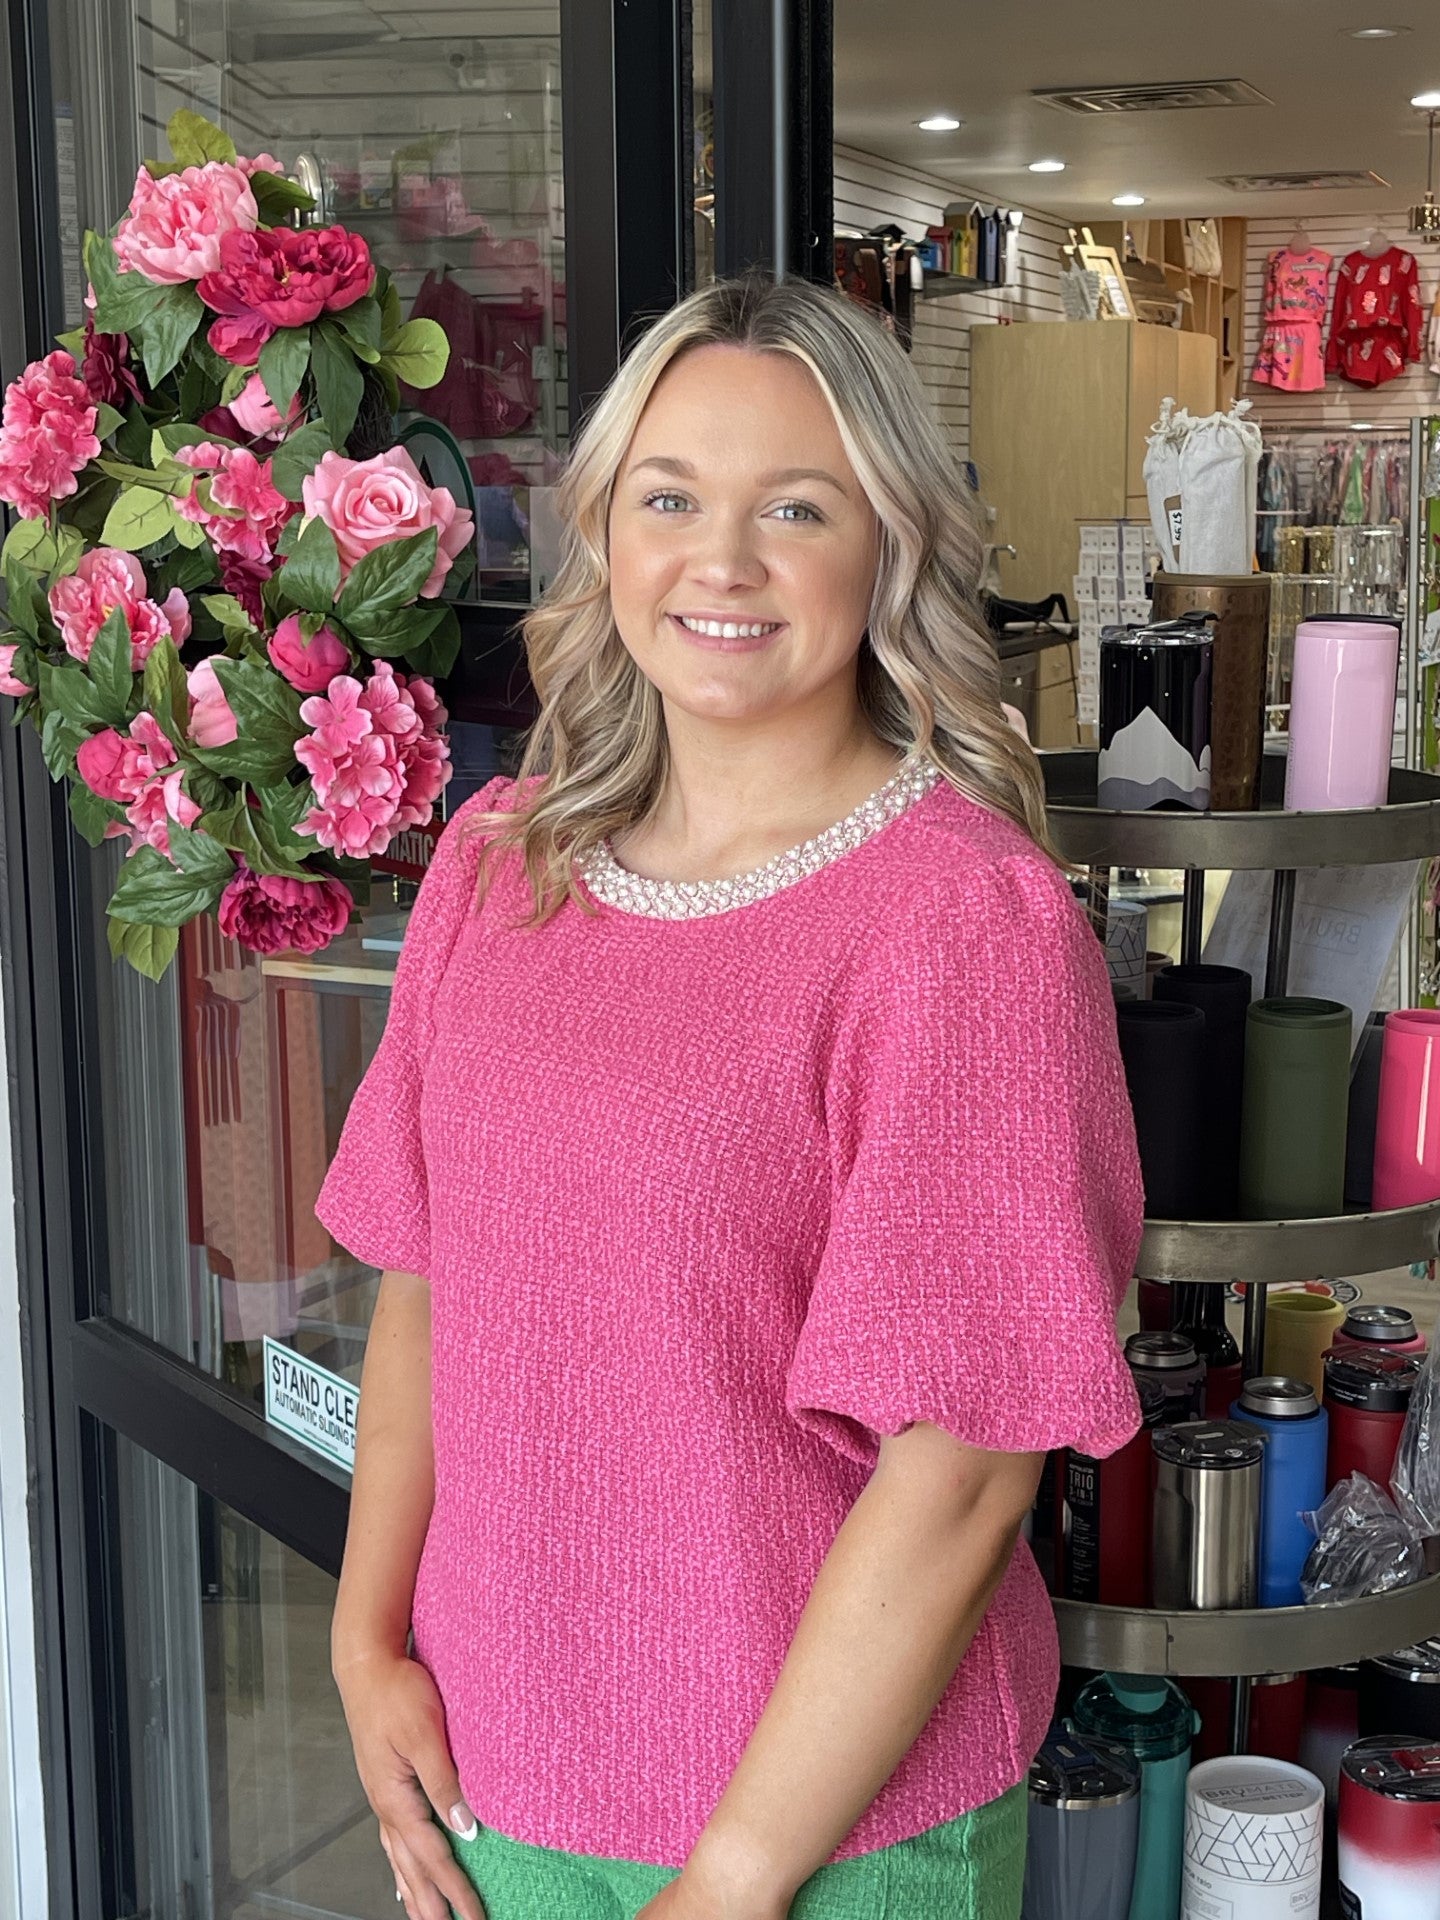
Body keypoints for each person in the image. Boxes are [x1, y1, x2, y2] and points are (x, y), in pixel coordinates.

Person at [318, 273, 1144, 1920]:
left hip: (835, 1832)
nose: (724, 561)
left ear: (889, 543)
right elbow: (426, 1276)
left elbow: (967, 1464)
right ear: (606, 535)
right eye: (671, 497)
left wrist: (737, 1882)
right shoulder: (501, 865)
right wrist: (364, 1642)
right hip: (496, 1775)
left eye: (797, 507)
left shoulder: (957, 926)